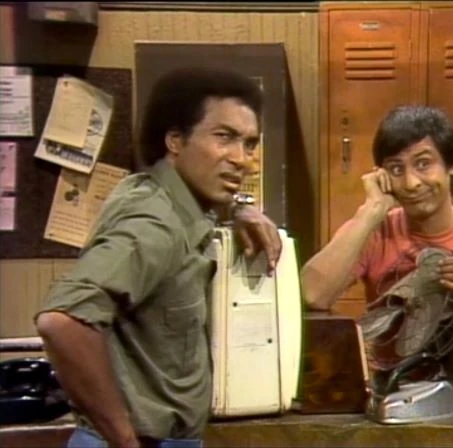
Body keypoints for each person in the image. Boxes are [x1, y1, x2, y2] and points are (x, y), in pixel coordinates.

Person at [34, 67, 282, 448]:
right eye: (224, 137)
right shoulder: (155, 222)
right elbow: (63, 321)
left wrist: (240, 207)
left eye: (249, 144)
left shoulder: (170, 198)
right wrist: (124, 439)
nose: (241, 159)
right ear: (175, 140)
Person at [301, 105, 453, 391]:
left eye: (423, 164)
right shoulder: (374, 232)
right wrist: (370, 212)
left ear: (451, 164)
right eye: (396, 169)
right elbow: (312, 294)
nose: (411, 183)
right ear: (381, 176)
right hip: (389, 396)